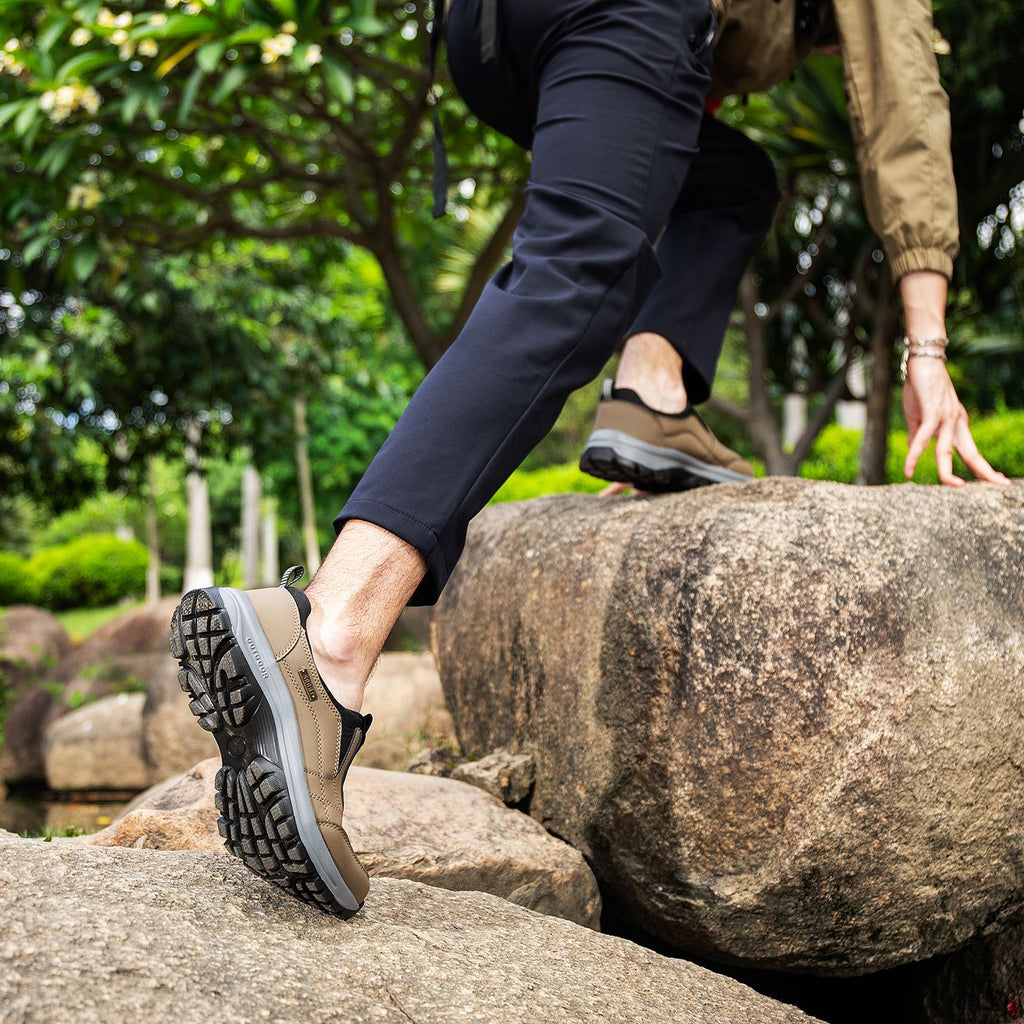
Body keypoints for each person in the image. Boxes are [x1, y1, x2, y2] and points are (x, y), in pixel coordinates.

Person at [170, 0, 1010, 916]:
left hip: (489, 34)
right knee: (581, 265)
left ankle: (651, 396)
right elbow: (905, 112)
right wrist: (925, 347)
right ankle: (328, 637)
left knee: (728, 181)